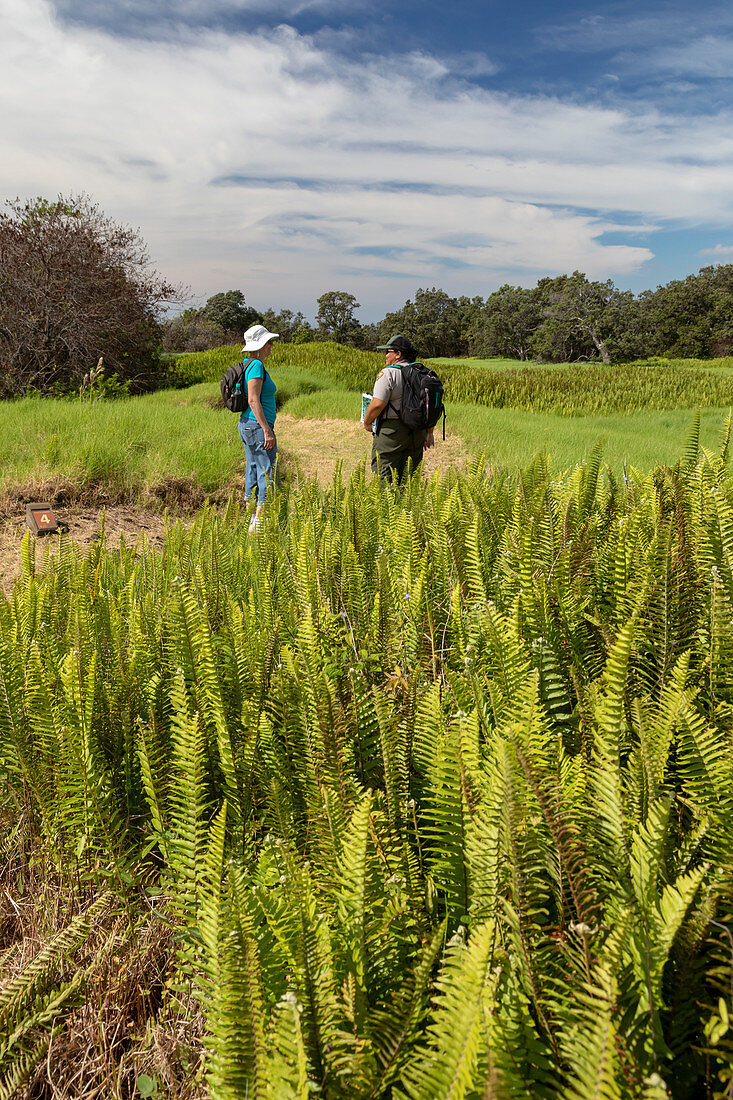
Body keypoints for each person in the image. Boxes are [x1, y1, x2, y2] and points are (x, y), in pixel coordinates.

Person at [362, 333, 434, 482]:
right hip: (417, 433)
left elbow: (377, 404)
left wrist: (367, 421)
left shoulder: (388, 373)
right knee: (409, 481)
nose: (385, 356)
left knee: (384, 479)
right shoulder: (422, 374)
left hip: (391, 433)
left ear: (398, 354)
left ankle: (388, 506)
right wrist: (429, 432)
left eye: (388, 352)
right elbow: (429, 405)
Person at [238, 323, 280, 532]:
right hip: (256, 426)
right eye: (269, 342)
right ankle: (260, 525)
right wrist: (267, 429)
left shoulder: (247, 363)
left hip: (247, 425)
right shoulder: (256, 365)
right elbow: (254, 400)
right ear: (261, 344)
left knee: (253, 469)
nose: (272, 345)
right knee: (266, 471)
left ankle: (249, 520)